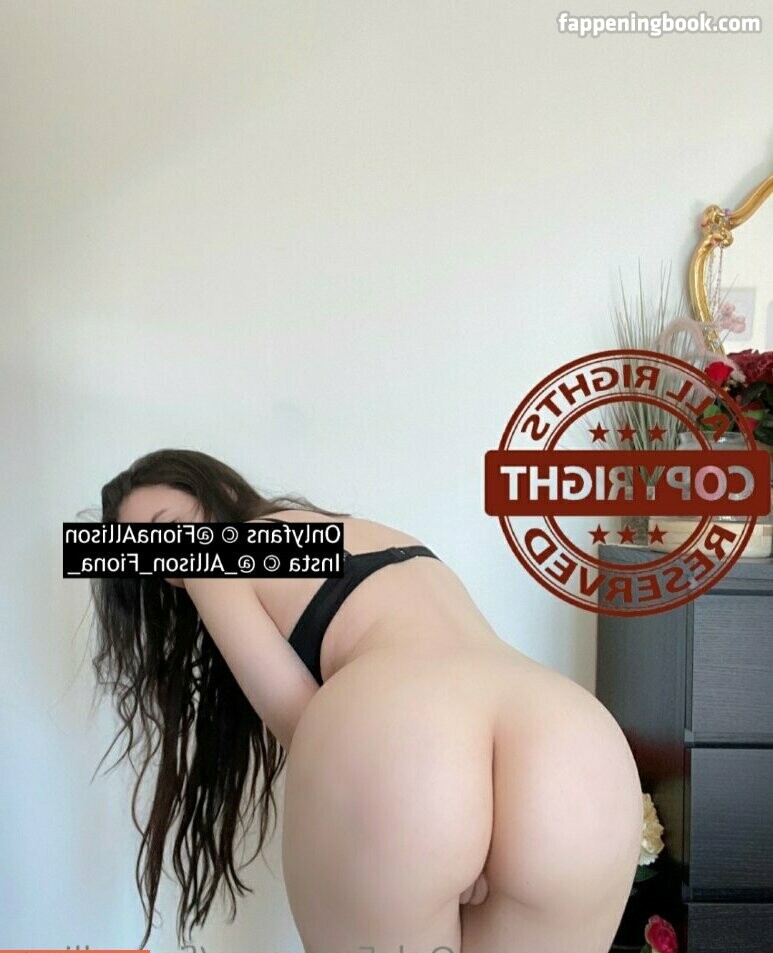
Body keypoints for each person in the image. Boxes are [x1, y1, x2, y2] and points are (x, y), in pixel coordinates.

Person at [90, 448, 643, 953]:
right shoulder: (369, 531)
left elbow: (300, 719)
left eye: (166, 528)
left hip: (405, 737)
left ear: (217, 494)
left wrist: (444, 837)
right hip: (570, 734)